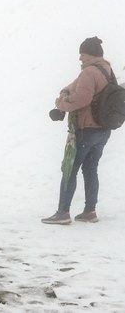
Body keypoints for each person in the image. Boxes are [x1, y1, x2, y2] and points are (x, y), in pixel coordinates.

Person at [42, 37, 112, 225]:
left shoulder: (89, 72)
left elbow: (81, 99)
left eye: (82, 54)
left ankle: (63, 213)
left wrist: (61, 103)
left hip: (85, 130)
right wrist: (66, 91)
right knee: (90, 169)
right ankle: (90, 211)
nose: (80, 58)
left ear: (90, 54)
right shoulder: (106, 69)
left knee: (69, 169)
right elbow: (74, 86)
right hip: (102, 131)